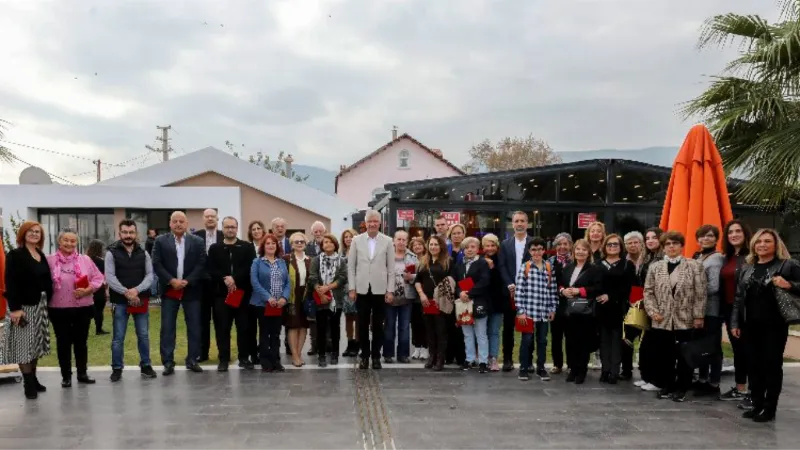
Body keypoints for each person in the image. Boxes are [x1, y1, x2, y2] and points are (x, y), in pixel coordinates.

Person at [731, 228, 799, 422]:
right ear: (753, 245)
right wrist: (735, 322)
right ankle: (757, 404)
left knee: (771, 366)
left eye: (767, 241)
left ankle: (770, 409)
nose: (762, 245)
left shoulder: (787, 265)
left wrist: (789, 285)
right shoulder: (747, 267)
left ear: (776, 244)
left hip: (774, 325)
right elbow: (738, 298)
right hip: (749, 325)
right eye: (759, 241)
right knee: (753, 366)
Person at [643, 231, 706, 402]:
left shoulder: (694, 266)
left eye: (675, 243)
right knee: (664, 355)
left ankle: (682, 387)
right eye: (668, 244)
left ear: (681, 245)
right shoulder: (655, 267)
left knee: (684, 356)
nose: (671, 247)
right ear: (663, 247)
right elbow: (648, 292)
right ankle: (667, 385)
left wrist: (699, 316)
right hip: (661, 319)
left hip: (685, 319)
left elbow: (701, 293)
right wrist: (652, 311)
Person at [47, 229, 105, 388]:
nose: (69, 243)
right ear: (59, 241)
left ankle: (82, 373)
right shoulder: (50, 260)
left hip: (83, 308)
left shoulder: (85, 259)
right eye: (66, 240)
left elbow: (99, 278)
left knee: (81, 342)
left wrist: (88, 289)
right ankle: (66, 376)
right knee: (63, 343)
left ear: (76, 243)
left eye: (73, 241)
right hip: (58, 309)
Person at [152, 211, 207, 375]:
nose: (178, 224)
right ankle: (168, 362)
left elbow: (201, 262)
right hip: (170, 291)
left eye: (181, 221)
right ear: (170, 223)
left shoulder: (197, 241)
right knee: (168, 327)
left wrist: (187, 281)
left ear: (187, 223)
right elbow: (157, 263)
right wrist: (171, 280)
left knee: (194, 326)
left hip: (191, 290)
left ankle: (192, 359)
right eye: (174, 221)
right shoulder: (160, 241)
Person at [2, 221, 53, 399]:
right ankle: (28, 384)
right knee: (24, 345)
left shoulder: (40, 253)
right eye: (30, 231)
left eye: (37, 232)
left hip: (40, 305)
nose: (34, 234)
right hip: (23, 307)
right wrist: (15, 309)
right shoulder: (15, 255)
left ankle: (34, 378)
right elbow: (10, 282)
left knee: (36, 344)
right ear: (23, 234)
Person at [105, 219, 157, 382]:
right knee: (118, 337)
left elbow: (150, 275)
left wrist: (136, 290)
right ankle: (117, 368)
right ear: (119, 234)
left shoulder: (144, 253)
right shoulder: (111, 253)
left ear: (136, 234)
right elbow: (110, 277)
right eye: (125, 232)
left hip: (140, 300)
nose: (128, 235)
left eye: (131, 232)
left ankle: (146, 366)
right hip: (120, 301)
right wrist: (126, 292)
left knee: (143, 335)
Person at [207, 216, 257, 372]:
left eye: (233, 227)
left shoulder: (247, 247)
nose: (230, 229)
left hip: (242, 294)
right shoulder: (214, 248)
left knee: (244, 328)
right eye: (227, 227)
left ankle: (244, 358)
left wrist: (235, 279)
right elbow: (211, 269)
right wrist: (225, 278)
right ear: (223, 228)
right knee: (222, 328)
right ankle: (224, 359)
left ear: (237, 228)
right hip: (221, 295)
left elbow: (250, 267)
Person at [348, 209, 395, 370]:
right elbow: (351, 267)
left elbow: (391, 268)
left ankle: (376, 356)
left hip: (380, 289)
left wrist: (390, 290)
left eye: (375, 221)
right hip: (361, 289)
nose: (373, 224)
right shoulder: (356, 240)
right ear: (365, 223)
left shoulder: (388, 241)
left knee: (378, 325)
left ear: (380, 223)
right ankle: (364, 356)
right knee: (361, 324)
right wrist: (352, 288)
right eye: (370, 221)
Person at [718, 220, 753, 407]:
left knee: (749, 351)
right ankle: (740, 388)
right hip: (730, 309)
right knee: (738, 350)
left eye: (738, 231)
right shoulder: (729, 257)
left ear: (746, 233)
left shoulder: (751, 256)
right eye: (730, 232)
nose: (734, 235)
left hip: (747, 311)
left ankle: (754, 391)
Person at [558, 239, 601, 384]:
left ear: (588, 252)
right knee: (570, 341)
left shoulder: (594, 269)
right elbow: (560, 284)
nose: (580, 252)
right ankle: (572, 369)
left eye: (584, 249)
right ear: (573, 251)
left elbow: (597, 288)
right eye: (578, 249)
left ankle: (582, 371)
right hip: (569, 311)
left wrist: (580, 291)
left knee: (583, 342)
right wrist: (563, 291)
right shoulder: (568, 268)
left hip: (585, 312)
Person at [514, 237, 558, 381]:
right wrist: (520, 311)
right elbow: (519, 290)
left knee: (543, 341)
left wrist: (553, 308)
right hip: (528, 312)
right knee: (527, 340)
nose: (537, 252)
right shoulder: (525, 267)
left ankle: (541, 367)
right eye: (534, 249)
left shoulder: (549, 267)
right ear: (529, 251)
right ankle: (524, 368)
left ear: (544, 250)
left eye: (540, 249)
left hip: (544, 313)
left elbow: (552, 290)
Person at [595, 234, 635, 384]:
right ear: (604, 247)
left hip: (618, 308)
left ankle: (614, 372)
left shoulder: (627, 265)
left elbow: (627, 288)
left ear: (620, 247)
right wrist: (600, 295)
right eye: (609, 245)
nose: (612, 247)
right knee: (603, 340)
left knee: (617, 341)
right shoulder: (598, 264)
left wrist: (610, 296)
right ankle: (605, 370)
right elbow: (595, 283)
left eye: (615, 245)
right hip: (601, 308)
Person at [693, 225, 726, 397]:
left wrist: (691, 290)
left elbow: (713, 286)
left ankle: (714, 382)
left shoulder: (716, 258)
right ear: (697, 239)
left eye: (710, 236)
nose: (706, 239)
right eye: (702, 236)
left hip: (712, 309)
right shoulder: (700, 256)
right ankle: (702, 379)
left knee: (712, 346)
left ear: (716, 239)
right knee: (702, 346)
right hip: (700, 309)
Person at [414, 235, 455, 371]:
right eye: (431, 244)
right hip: (427, 302)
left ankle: (440, 359)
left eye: (436, 244)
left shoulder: (448, 262)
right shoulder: (423, 261)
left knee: (441, 331)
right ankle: (431, 357)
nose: (433, 247)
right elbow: (418, 280)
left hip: (441, 302)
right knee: (429, 331)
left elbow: (453, 281)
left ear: (441, 246)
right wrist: (421, 295)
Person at [498, 211, 532, 372]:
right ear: (512, 224)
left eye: (522, 221)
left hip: (529, 292)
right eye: (516, 221)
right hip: (509, 292)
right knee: (508, 327)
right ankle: (507, 359)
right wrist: (510, 284)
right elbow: (502, 266)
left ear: (527, 223)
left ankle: (528, 361)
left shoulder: (534, 243)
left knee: (528, 327)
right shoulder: (505, 244)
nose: (519, 224)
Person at [250, 234, 290, 372]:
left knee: (276, 333)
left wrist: (284, 297)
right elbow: (255, 283)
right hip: (262, 304)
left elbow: (287, 283)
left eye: (273, 243)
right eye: (268, 243)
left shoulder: (282, 262)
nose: (271, 245)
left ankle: (276, 360)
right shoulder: (257, 262)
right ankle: (265, 361)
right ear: (263, 246)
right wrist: (268, 297)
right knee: (264, 333)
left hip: (279, 304)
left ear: (277, 246)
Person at [307, 233, 348, 367]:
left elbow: (342, 277)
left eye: (330, 242)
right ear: (322, 245)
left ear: (335, 244)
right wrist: (320, 292)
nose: (328, 244)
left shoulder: (341, 260)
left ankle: (335, 354)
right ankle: (322, 355)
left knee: (335, 328)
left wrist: (328, 287)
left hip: (336, 299)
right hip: (321, 299)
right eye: (325, 242)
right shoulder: (316, 260)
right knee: (321, 328)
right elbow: (312, 277)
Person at [455, 236, 491, 373]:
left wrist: (469, 293)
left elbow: (485, 282)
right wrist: (460, 293)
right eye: (466, 247)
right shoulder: (459, 265)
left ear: (478, 249)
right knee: (467, 334)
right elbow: (456, 282)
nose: (469, 250)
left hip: (478, 302)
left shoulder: (482, 263)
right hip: (464, 304)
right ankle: (469, 359)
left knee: (481, 333)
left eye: (472, 247)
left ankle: (483, 361)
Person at [193, 208, 224, 363]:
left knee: (221, 322)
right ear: (203, 218)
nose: (210, 218)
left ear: (217, 218)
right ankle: (202, 353)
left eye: (213, 216)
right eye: (207, 216)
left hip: (220, 287)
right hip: (201, 287)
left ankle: (222, 353)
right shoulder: (195, 237)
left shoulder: (224, 236)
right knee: (202, 322)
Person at [635, 227, 664, 393]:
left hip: (657, 306)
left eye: (654, 237)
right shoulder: (646, 258)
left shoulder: (663, 259)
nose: (650, 240)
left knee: (655, 344)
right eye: (648, 238)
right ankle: (646, 376)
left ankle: (656, 379)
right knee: (645, 343)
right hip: (644, 304)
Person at [383, 230, 417, 364]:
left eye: (404, 240)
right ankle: (388, 354)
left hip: (406, 297)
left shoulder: (413, 257)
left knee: (404, 327)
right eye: (399, 239)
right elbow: (381, 275)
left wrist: (411, 278)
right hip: (390, 297)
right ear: (394, 240)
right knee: (389, 326)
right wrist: (386, 292)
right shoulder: (386, 256)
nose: (401, 242)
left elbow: (417, 275)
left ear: (407, 241)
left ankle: (403, 354)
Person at [284, 231, 311, 367]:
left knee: (303, 326)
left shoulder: (310, 260)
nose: (299, 244)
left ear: (305, 244)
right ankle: (294, 355)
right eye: (297, 242)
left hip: (305, 296)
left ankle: (299, 354)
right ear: (292, 245)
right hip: (292, 296)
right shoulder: (286, 259)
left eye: (302, 242)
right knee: (293, 326)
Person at [621, 231, 645, 381]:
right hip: (629, 305)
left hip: (648, 305)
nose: (632, 245)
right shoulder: (624, 262)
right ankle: (626, 370)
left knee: (645, 340)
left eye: (635, 242)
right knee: (626, 339)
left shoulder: (648, 260)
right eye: (629, 243)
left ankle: (645, 370)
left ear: (641, 244)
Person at [547, 232, 572, 375]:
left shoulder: (575, 260)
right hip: (555, 303)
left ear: (570, 245)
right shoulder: (549, 262)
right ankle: (557, 364)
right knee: (556, 336)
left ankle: (571, 364)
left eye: (565, 244)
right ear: (555, 246)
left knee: (571, 335)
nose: (562, 247)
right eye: (559, 244)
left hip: (571, 302)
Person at [481, 233, 504, 372]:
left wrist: (493, 267)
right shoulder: (479, 260)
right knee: (482, 331)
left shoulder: (502, 260)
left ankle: (493, 358)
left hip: (497, 301)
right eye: (487, 245)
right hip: (482, 301)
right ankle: (483, 357)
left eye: (492, 245)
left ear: (497, 246)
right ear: (483, 247)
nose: (490, 248)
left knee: (494, 331)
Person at [247, 219, 267, 363]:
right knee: (251, 326)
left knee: (265, 325)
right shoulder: (246, 248)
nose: (256, 231)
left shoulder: (269, 246)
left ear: (263, 231)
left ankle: (264, 351)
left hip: (266, 292)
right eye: (253, 229)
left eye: (258, 228)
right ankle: (253, 354)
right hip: (250, 292)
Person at [340, 228, 360, 357]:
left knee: (358, 318)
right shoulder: (341, 254)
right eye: (346, 237)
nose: (348, 238)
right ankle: (350, 343)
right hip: (344, 289)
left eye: (351, 236)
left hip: (359, 288)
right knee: (348, 318)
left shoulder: (361, 253)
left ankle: (358, 344)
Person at [409, 236, 429, 361]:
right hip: (412, 296)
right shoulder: (409, 260)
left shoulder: (428, 259)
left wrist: (413, 276)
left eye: (419, 244)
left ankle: (425, 347)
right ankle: (417, 347)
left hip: (425, 295)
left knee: (425, 323)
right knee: (415, 323)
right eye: (414, 245)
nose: (417, 247)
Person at [86, 239, 109, 335]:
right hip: (99, 287)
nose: (104, 251)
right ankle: (98, 329)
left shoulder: (85, 260)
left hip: (87, 288)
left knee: (87, 310)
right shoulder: (101, 261)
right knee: (99, 310)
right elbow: (105, 276)